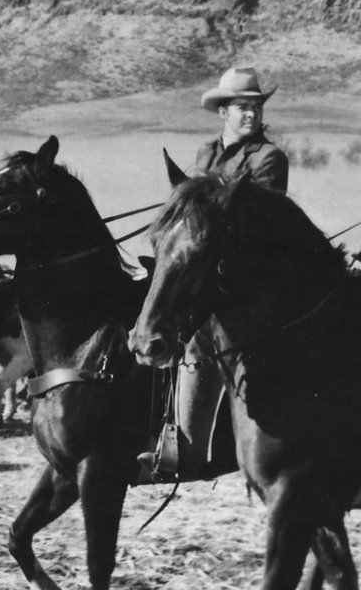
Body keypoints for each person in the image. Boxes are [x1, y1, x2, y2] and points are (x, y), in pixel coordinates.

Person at [137, 66, 289, 480]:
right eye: (242, 107)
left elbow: (259, 224)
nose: (251, 114)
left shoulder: (268, 158)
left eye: (256, 107)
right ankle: (164, 436)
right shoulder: (205, 153)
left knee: (199, 338)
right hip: (206, 266)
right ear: (223, 112)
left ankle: (190, 448)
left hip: (244, 279)